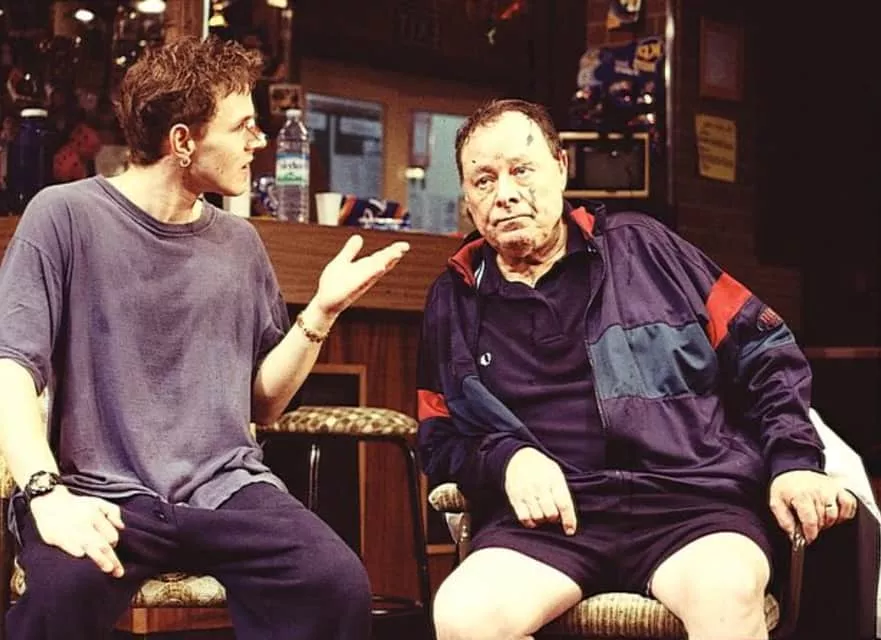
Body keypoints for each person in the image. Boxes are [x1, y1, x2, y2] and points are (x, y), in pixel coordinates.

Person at [0, 36, 409, 640]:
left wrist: (321, 312)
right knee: (60, 597)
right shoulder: (63, 215)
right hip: (101, 492)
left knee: (333, 582)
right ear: (183, 141)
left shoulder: (240, 243)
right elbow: (11, 367)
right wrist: (44, 493)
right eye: (243, 126)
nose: (259, 140)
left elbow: (263, 403)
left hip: (226, 490)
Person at [416, 98, 858, 640]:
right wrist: (507, 459)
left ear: (560, 168)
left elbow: (765, 350)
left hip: (692, 506)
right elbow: (438, 439)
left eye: (521, 170)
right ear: (466, 197)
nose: (504, 193)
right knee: (463, 615)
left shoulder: (645, 248)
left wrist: (793, 461)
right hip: (546, 526)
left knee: (725, 594)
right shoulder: (454, 298)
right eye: (483, 180)